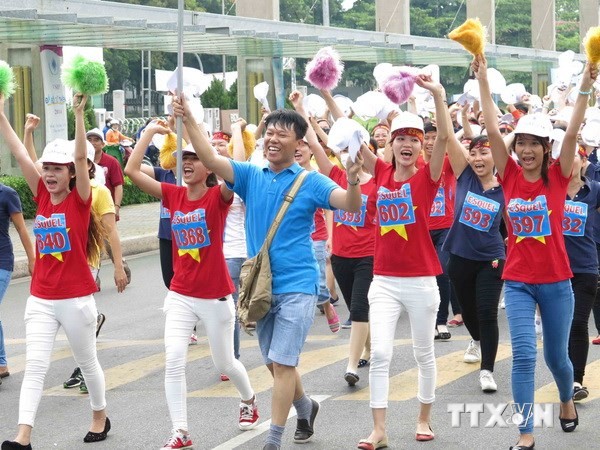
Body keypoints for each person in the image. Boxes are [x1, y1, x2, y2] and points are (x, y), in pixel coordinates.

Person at [172, 93, 363, 450]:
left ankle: (274, 439)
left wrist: (353, 180)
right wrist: (189, 121)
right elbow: (212, 159)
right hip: (259, 286)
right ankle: (305, 407)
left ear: (299, 143)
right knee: (276, 365)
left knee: (284, 362)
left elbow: (349, 205)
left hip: (299, 286)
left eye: (282, 134)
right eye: (269, 133)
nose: (272, 139)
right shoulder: (248, 175)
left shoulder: (312, 181)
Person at [473, 54, 595, 450]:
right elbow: (492, 126)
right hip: (520, 281)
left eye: (533, 144)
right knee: (524, 354)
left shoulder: (558, 178)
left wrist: (585, 86)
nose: (525, 150)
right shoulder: (506, 173)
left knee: (558, 360)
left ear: (546, 149)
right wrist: (483, 80)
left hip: (558, 281)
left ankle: (565, 398)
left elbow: (574, 131)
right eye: (521, 142)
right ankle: (525, 432)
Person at [125, 120, 260, 449]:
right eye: (183, 159)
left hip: (215, 297)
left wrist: (198, 128)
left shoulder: (218, 197)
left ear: (208, 166)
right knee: (173, 359)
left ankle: (249, 400)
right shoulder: (172, 194)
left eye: (194, 158)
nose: (187, 164)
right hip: (180, 294)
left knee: (225, 363)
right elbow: (131, 171)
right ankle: (181, 431)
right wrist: (149, 134)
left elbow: (234, 176)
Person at [0, 93, 110, 449]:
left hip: (76, 299)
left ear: (72, 173)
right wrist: (1, 113)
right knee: (35, 366)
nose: (48, 174)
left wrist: (78, 113)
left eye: (56, 169)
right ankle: (23, 436)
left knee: (87, 362)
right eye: (45, 167)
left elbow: (80, 154)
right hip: (41, 298)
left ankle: (99, 415)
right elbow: (19, 152)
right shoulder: (42, 196)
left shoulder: (81, 199)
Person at [355, 75, 446, 449]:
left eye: (413, 138)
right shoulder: (381, 172)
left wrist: (436, 94)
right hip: (385, 280)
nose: (407, 143)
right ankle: (379, 430)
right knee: (380, 353)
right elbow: (349, 139)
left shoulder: (428, 177)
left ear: (420, 146)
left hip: (422, 280)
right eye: (400, 138)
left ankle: (424, 418)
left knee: (423, 353)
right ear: (389, 144)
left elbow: (443, 138)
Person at [443, 131, 506, 393]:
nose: (477, 158)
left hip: (491, 258)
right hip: (458, 256)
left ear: (496, 156)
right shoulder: (464, 174)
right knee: (468, 312)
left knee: (488, 313)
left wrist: (503, 141)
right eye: (474, 152)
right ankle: (476, 340)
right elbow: (447, 135)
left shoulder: (508, 185)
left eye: (485, 152)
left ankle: (487, 370)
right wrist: (438, 95)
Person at [562, 148, 600, 401]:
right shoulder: (549, 187)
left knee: (577, 323)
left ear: (583, 161)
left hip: (585, 266)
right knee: (561, 327)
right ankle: (564, 375)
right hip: (555, 268)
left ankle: (576, 381)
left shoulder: (595, 189)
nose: (566, 160)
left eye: (573, 155)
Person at [0, 182, 35, 384]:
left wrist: (32, 260)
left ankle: (2, 363)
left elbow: (22, 229)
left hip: (2, 261)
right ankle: (2, 363)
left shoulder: (7, 194)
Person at [86, 127, 131, 283]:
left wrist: (116, 206)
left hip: (106, 210)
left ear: (103, 144)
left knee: (108, 242)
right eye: (89, 139)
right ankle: (93, 277)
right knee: (91, 243)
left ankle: (120, 265)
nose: (92, 143)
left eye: (96, 140)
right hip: (88, 211)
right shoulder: (80, 163)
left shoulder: (111, 162)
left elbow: (118, 185)